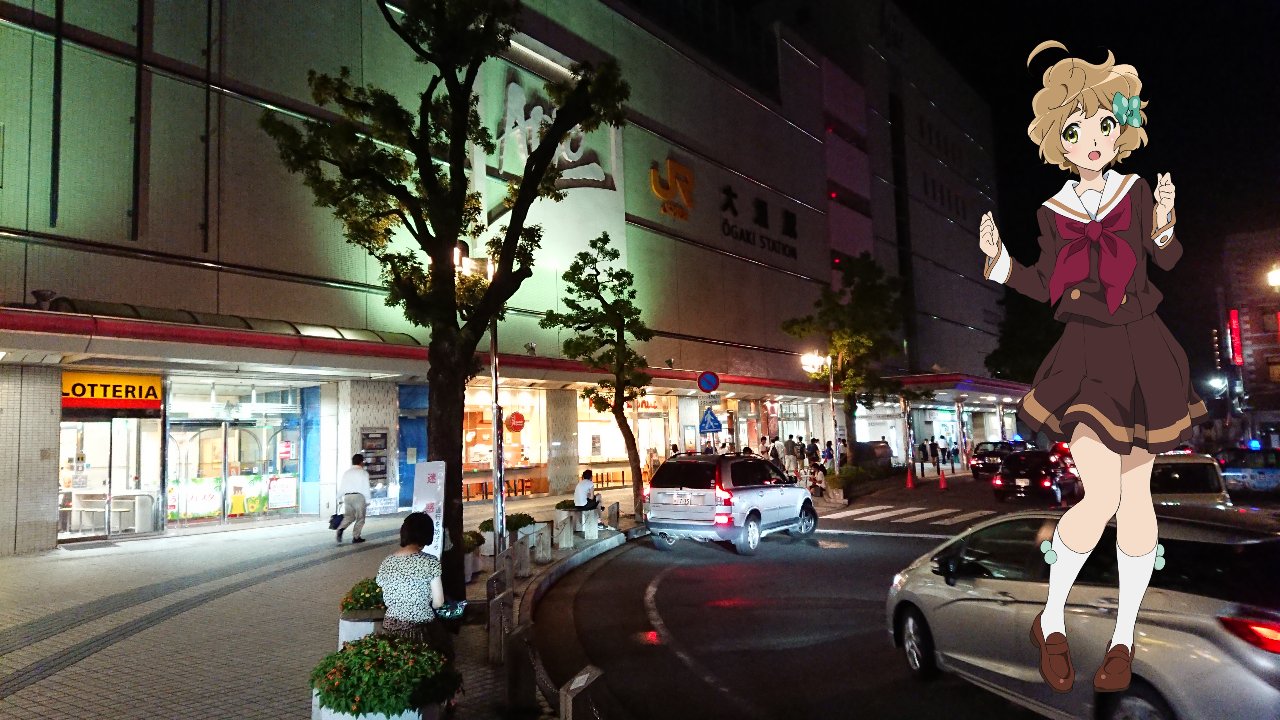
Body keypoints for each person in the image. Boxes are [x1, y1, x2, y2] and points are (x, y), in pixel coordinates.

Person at [979, 42, 1203, 694]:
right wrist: (1001, 265)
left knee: (1137, 497)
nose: (1093, 140)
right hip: (1084, 353)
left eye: (1104, 124)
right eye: (1075, 131)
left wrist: (1164, 224)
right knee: (1101, 493)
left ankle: (1122, 639)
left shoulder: (1136, 192)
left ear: (1120, 128)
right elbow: (1046, 282)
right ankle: (1051, 618)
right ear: (1059, 141)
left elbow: (1166, 259)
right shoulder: (1053, 212)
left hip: (1142, 346)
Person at [376, 512, 453, 662]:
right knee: (442, 658)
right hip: (421, 629)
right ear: (427, 534)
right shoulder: (430, 562)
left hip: (390, 629)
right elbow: (439, 602)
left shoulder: (387, 562)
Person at [336, 453, 370, 544]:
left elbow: (342, 486)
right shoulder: (363, 472)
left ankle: (341, 528)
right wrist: (368, 500)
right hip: (359, 497)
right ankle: (356, 537)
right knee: (360, 518)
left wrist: (339, 498)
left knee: (349, 516)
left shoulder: (347, 473)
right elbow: (366, 487)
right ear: (361, 462)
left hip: (347, 497)